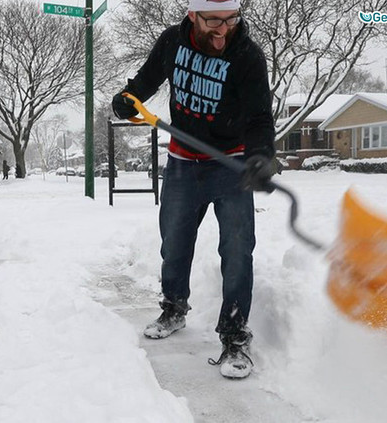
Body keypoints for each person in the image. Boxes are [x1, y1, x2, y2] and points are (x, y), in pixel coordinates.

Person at [112, 0, 276, 379]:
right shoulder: (172, 42)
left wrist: (261, 156)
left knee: (237, 249)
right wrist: (127, 97)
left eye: (231, 20)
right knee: (174, 241)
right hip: (184, 163)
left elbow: (258, 116)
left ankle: (234, 335)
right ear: (192, 16)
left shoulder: (248, 56)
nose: (223, 30)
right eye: (213, 21)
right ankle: (174, 307)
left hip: (230, 163)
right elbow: (146, 79)